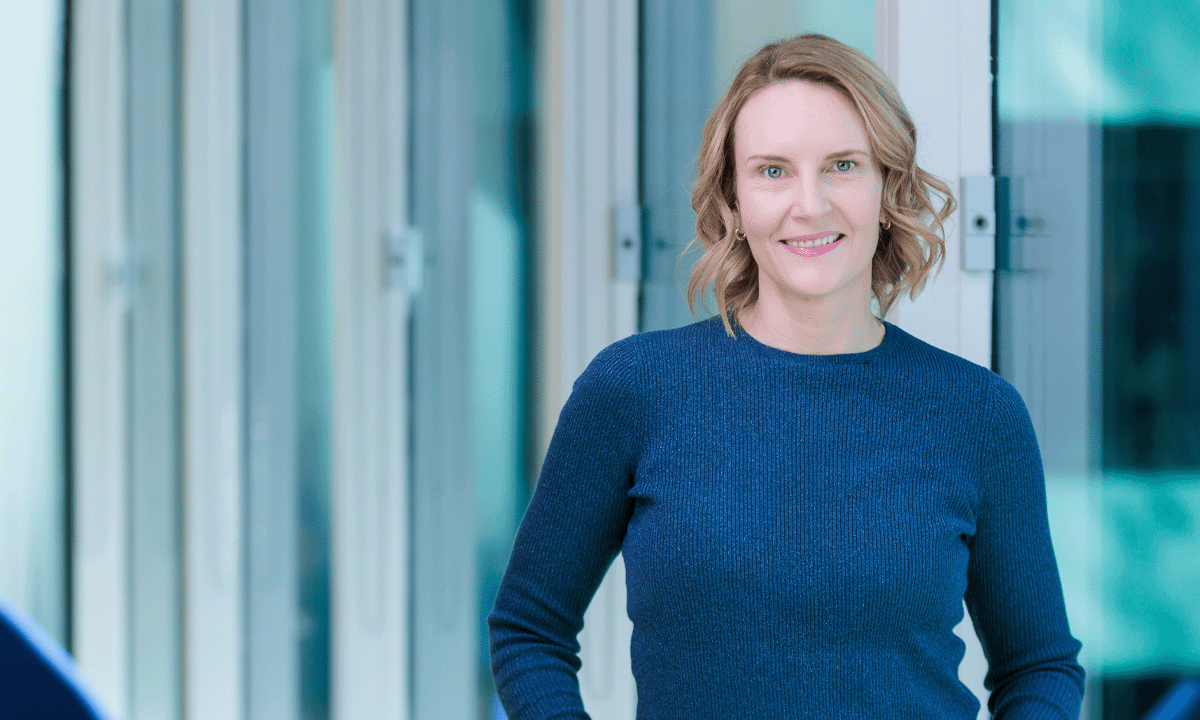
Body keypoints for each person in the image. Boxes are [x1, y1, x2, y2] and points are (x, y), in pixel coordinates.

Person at [489, 33, 1084, 719]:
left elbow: (1039, 667)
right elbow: (528, 630)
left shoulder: (978, 414)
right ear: (733, 202)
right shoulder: (633, 390)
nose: (810, 204)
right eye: (773, 170)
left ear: (887, 184)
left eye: (841, 165)